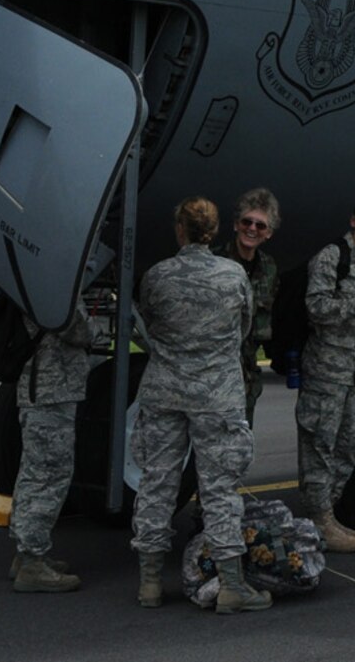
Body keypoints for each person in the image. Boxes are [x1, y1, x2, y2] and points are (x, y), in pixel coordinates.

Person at [131, 197, 268, 613]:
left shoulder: (157, 276)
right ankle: (231, 585)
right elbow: (244, 327)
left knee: (157, 482)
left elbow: (148, 323)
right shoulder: (233, 275)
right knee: (219, 487)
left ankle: (150, 583)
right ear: (214, 231)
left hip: (165, 389)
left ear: (180, 230)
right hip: (216, 393)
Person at [296, 191, 355, 555]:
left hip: (352, 375)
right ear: (353, 220)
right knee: (319, 447)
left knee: (346, 448)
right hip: (325, 372)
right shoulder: (332, 257)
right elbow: (316, 307)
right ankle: (319, 520)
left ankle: (327, 517)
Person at [6, 297, 93, 592]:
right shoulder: (53, 286)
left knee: (33, 473)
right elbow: (77, 329)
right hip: (52, 390)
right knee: (49, 475)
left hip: (40, 388)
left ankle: (26, 555)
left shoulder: (31, 282)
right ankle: (32, 563)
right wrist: (93, 328)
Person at [212, 186, 281, 424]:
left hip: (247, 377)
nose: (252, 229)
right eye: (246, 222)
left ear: (268, 233)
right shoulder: (215, 263)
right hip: (214, 374)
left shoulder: (269, 268)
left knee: (242, 438)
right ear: (236, 225)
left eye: (260, 225)